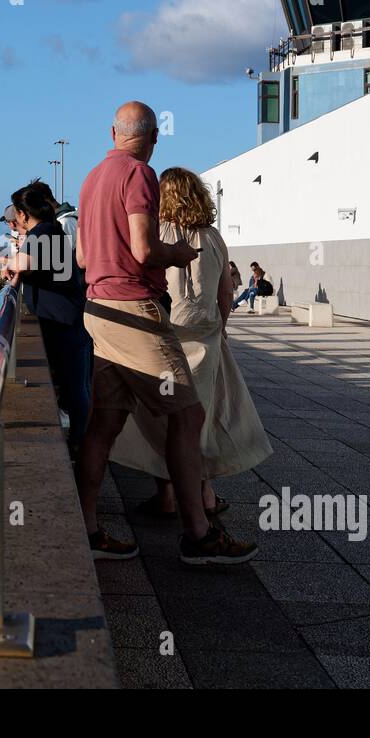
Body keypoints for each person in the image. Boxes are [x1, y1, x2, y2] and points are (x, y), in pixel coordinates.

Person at [76, 100, 258, 565]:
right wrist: (174, 255)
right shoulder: (138, 174)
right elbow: (142, 249)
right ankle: (198, 534)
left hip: (97, 308)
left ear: (111, 133)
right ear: (154, 137)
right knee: (188, 416)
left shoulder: (92, 178)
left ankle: (87, 527)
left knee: (104, 422)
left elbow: (80, 259)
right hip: (135, 309)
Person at [112, 167, 273, 516]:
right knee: (201, 415)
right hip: (207, 337)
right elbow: (226, 293)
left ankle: (167, 496)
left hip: (164, 335)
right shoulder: (213, 238)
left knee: (158, 415)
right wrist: (222, 327)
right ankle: (206, 495)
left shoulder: (154, 233)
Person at [3, 184, 90, 455]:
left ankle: (81, 443)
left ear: (23, 214)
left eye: (17, 214)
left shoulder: (45, 232)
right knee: (73, 384)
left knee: (74, 385)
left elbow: (26, 264)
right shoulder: (48, 230)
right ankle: (80, 440)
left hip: (64, 320)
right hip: (61, 318)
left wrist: (8, 264)